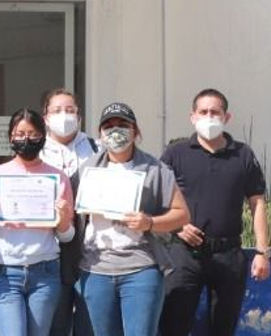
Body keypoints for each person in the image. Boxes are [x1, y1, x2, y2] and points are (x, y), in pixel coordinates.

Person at [159, 88, 271, 336]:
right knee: (172, 326)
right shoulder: (175, 154)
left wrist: (262, 251)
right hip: (183, 255)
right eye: (203, 112)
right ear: (193, 117)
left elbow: (258, 203)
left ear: (226, 117)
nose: (209, 117)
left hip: (228, 255)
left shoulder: (243, 154)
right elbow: (157, 198)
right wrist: (177, 226)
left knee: (223, 328)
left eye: (215, 112)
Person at [77, 102, 189, 336]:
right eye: (108, 126)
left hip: (141, 269)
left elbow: (181, 214)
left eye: (123, 125)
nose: (115, 131)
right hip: (96, 269)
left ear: (136, 132)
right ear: (100, 134)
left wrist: (150, 223)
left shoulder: (156, 169)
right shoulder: (87, 170)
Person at [0, 109, 76, 336]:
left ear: (43, 136)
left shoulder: (57, 177)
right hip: (5, 272)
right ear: (10, 137)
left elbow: (67, 235)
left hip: (45, 272)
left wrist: (62, 222)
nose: (26, 139)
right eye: (20, 133)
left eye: (32, 134)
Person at [38, 88, 97, 336]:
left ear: (79, 116)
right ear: (45, 117)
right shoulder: (36, 151)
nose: (65, 115)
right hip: (49, 248)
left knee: (89, 324)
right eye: (57, 110)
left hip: (90, 249)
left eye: (70, 110)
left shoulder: (97, 148)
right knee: (57, 324)